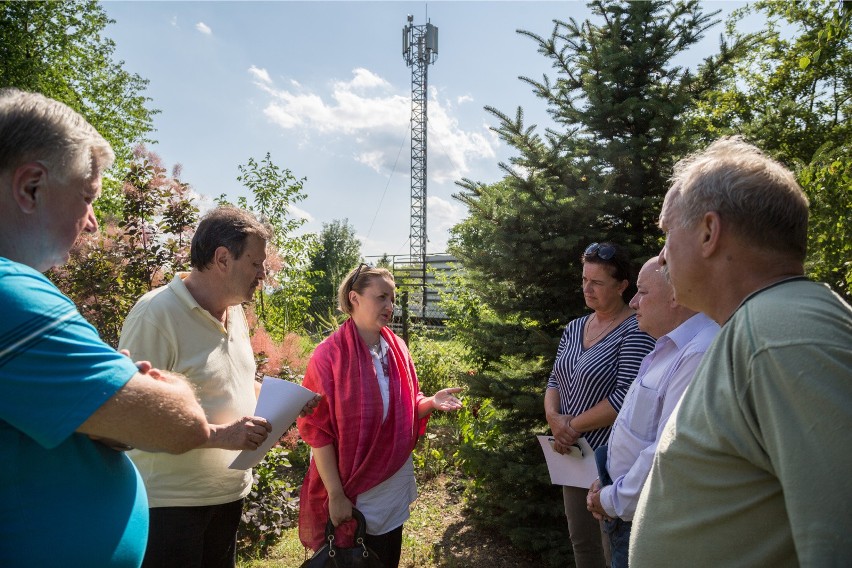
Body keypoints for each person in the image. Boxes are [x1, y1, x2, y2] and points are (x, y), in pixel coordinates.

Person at [0, 88, 210, 566]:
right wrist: (160, 390)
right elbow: (177, 424)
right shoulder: (9, 294)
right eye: (87, 198)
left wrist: (117, 409)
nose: (93, 223)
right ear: (31, 187)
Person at [630, 137, 852, 566]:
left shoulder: (783, 336)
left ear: (709, 232)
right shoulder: (762, 328)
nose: (662, 255)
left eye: (667, 232)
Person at [118, 206, 319, 568]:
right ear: (222, 258)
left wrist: (286, 401)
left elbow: (230, 383)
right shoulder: (156, 313)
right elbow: (131, 414)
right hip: (170, 505)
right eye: (255, 264)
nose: (263, 274)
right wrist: (220, 436)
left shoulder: (235, 312)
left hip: (227, 494)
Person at [297, 264, 463, 568]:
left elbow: (406, 406)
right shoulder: (327, 356)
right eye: (382, 297)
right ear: (354, 298)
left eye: (393, 298)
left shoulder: (396, 347)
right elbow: (316, 430)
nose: (390, 307)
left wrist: (430, 402)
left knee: (387, 557)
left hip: (391, 486)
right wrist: (335, 494)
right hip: (351, 490)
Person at [584, 256, 719, 567]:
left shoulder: (698, 353)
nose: (632, 303)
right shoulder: (671, 345)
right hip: (626, 504)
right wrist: (607, 482)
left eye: (642, 292)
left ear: (676, 296)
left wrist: (609, 499)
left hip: (641, 519)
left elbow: (665, 452)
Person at [544, 242, 656, 568]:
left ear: (623, 286)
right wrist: (553, 418)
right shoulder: (575, 326)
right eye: (583, 280)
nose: (587, 289)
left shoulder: (636, 328)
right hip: (573, 454)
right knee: (582, 544)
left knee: (614, 549)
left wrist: (570, 426)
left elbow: (626, 398)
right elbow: (555, 380)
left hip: (612, 461)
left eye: (597, 282)